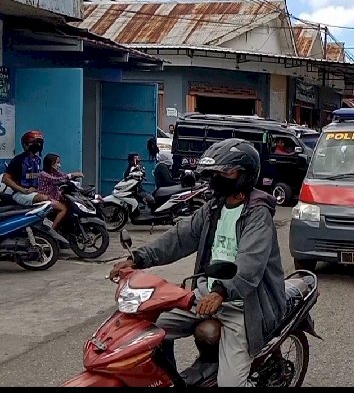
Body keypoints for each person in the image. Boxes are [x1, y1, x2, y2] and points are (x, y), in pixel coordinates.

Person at [108, 138, 287, 387]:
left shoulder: (258, 214)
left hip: (244, 304)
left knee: (230, 385)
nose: (217, 177)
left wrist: (222, 292)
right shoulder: (214, 208)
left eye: (225, 172)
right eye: (215, 172)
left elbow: (250, 264)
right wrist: (138, 258)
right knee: (148, 328)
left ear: (245, 175)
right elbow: (179, 238)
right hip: (205, 296)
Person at [3, 130, 51, 206]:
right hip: (20, 193)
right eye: (34, 142)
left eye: (39, 143)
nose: (37, 145)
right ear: (26, 144)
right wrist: (24, 190)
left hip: (34, 192)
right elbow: (6, 179)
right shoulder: (19, 159)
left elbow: (35, 176)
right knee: (43, 198)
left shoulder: (37, 160)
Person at [37, 154, 83, 229]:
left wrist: (73, 177)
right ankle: (52, 230)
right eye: (57, 163)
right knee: (64, 209)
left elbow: (62, 175)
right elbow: (56, 179)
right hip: (47, 198)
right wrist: (71, 175)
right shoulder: (44, 174)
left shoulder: (54, 172)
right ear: (51, 164)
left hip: (54, 196)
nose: (59, 165)